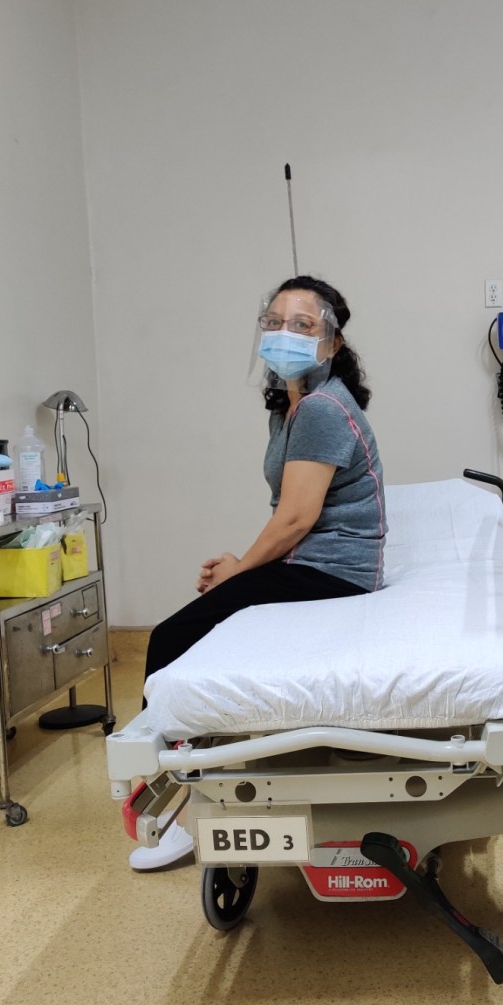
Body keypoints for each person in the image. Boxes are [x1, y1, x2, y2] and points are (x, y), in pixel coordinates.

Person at [129, 275, 386, 870]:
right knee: (191, 627)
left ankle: (173, 808)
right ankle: (180, 788)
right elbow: (288, 512)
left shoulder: (321, 408)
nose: (283, 333)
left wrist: (241, 571)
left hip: (335, 571)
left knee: (170, 639)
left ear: (332, 343)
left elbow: (296, 518)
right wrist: (240, 569)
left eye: (302, 324)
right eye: (273, 322)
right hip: (308, 560)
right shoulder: (289, 406)